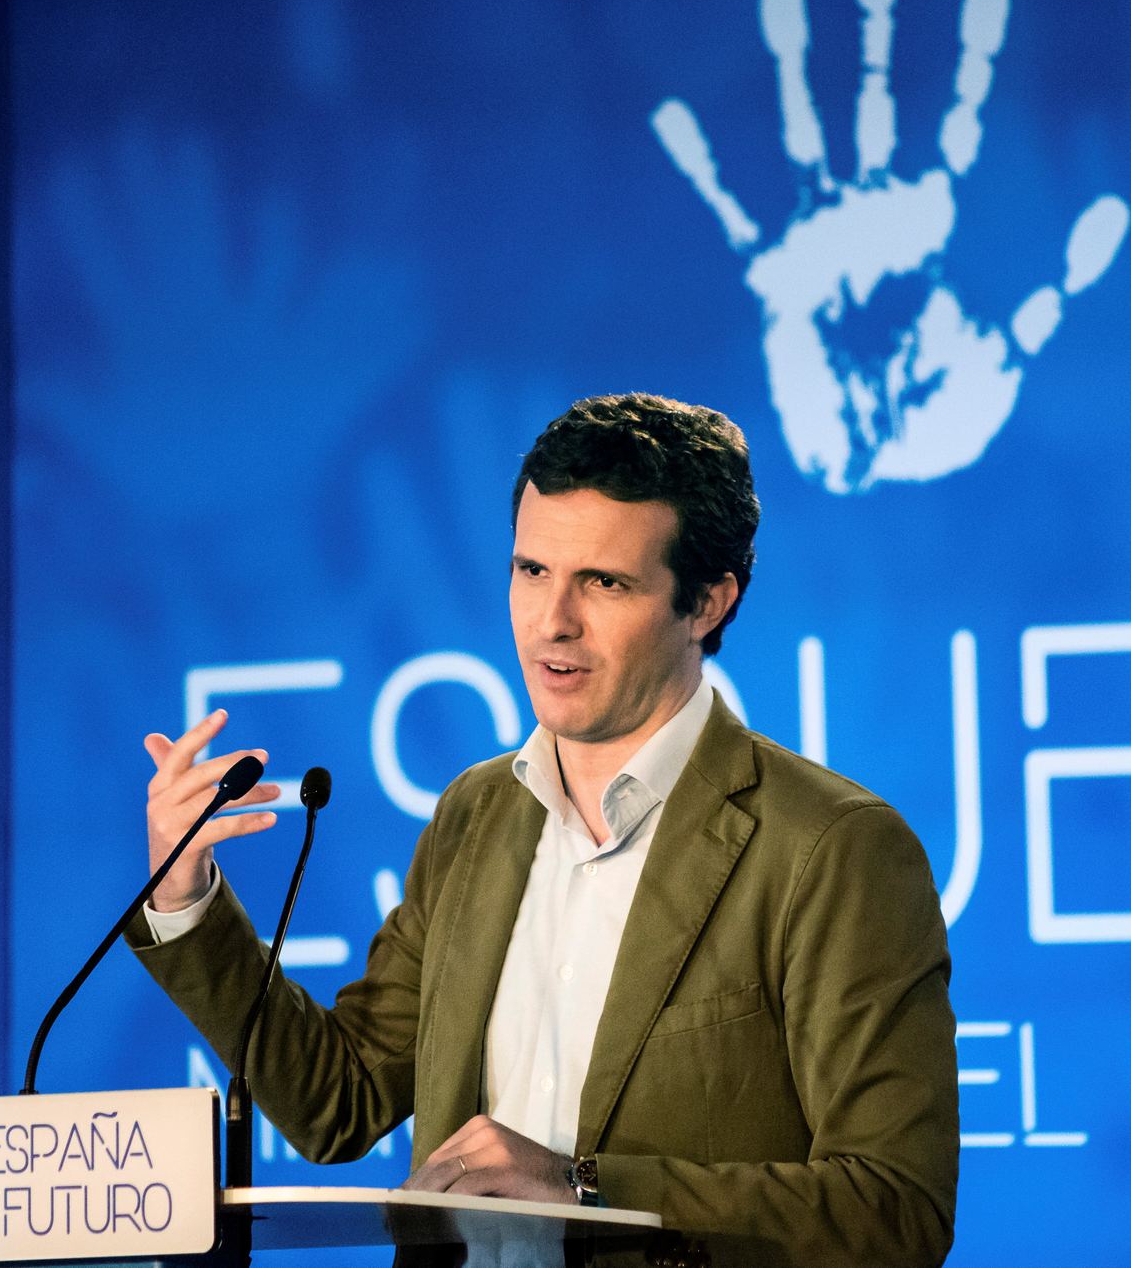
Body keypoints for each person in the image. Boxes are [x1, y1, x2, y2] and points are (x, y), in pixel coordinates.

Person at [125, 394, 958, 1265]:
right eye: (531, 571)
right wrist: (187, 901)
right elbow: (340, 1100)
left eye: (603, 582)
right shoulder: (473, 817)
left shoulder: (830, 848)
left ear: (707, 603)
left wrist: (584, 1191)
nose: (551, 621)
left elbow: (894, 1209)